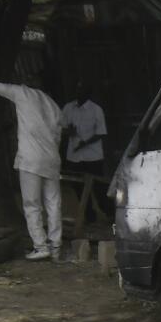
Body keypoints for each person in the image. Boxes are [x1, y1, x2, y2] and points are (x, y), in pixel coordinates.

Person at [0, 74, 63, 260]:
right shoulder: (52, 104)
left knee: (32, 204)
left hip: (31, 159)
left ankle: (40, 246)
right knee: (53, 204)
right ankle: (56, 246)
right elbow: (59, 133)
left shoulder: (22, 93)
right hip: (51, 159)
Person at [61, 83, 108, 221]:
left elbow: (101, 133)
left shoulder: (96, 110)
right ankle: (89, 217)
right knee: (79, 189)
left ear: (88, 93)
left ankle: (109, 215)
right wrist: (69, 132)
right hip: (74, 157)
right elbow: (62, 129)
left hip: (93, 157)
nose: (78, 92)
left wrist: (85, 143)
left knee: (99, 189)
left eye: (82, 90)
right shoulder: (68, 108)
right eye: (77, 89)